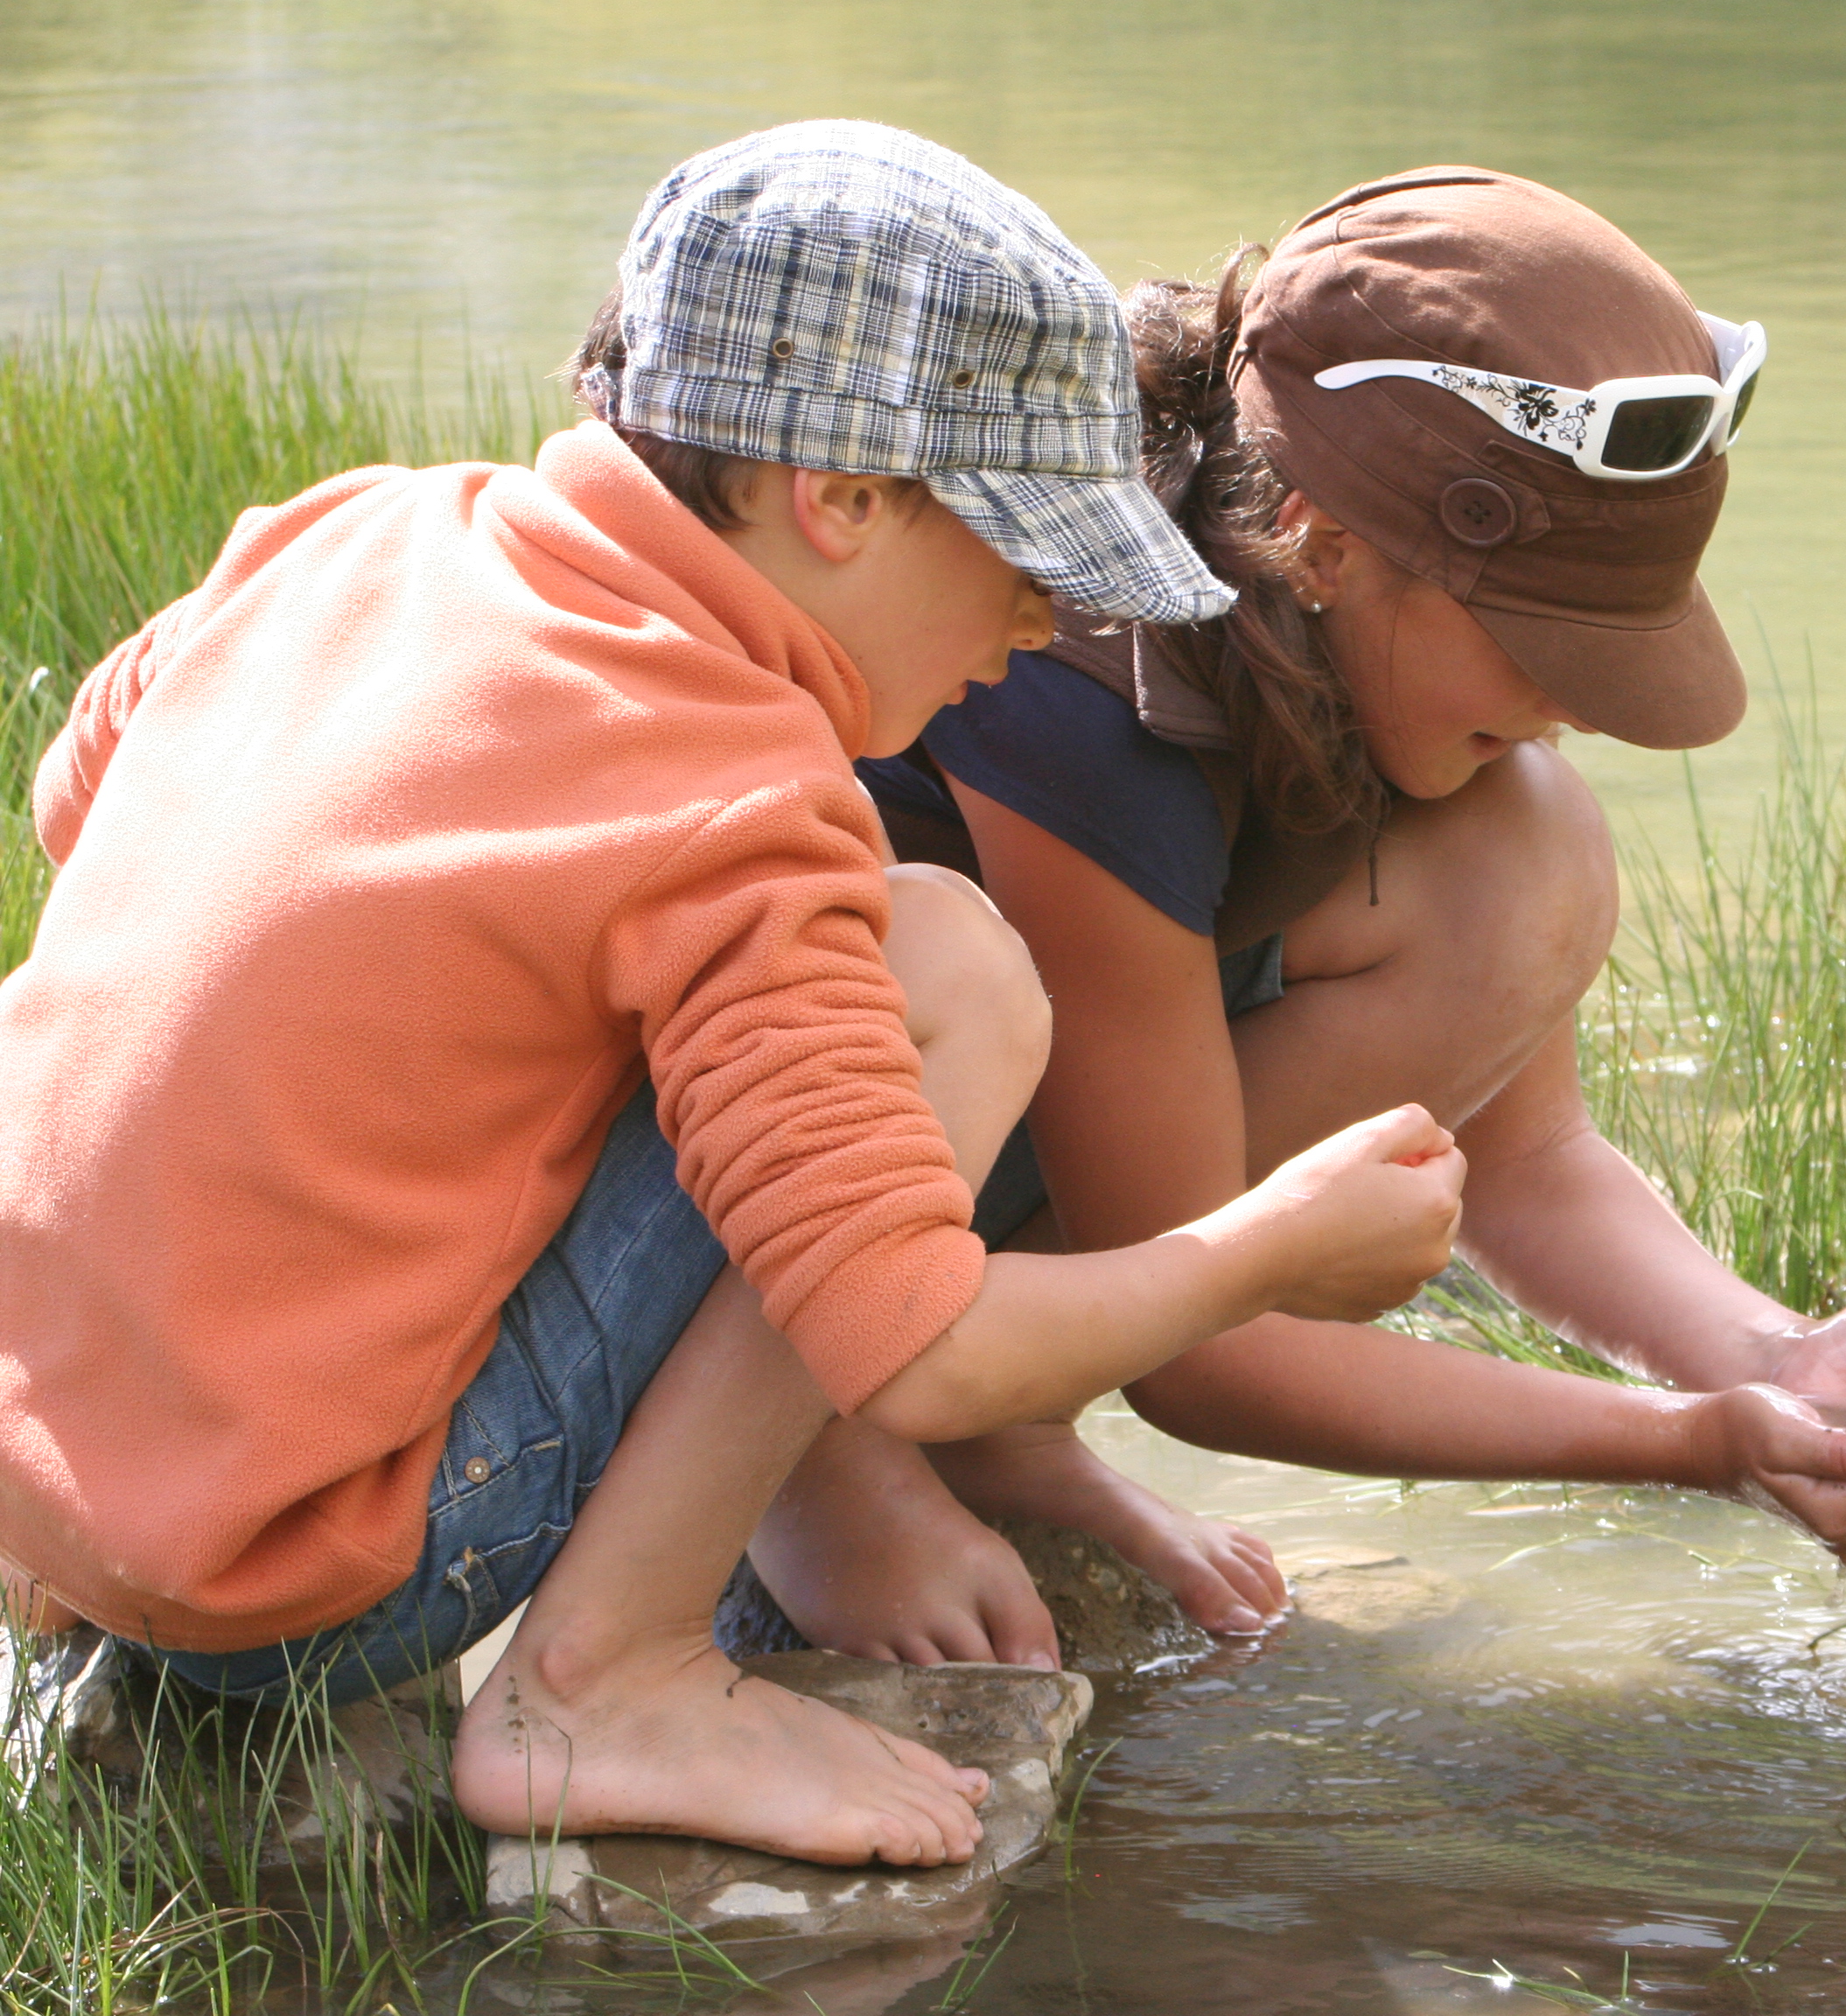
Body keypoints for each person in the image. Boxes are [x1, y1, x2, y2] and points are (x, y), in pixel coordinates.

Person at [0, 122, 1465, 1871]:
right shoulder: (738, 795)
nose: (1035, 626)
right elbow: (915, 1349)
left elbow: (74, 803)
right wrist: (1269, 1250)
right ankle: (604, 1678)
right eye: (1021, 558)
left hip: (49, 1493)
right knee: (952, 971)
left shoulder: (350, 535)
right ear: (837, 500)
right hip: (302, 1590)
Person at [773, 167, 1846, 1666]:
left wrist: (1776, 1360)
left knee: (1528, 857)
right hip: (754, 1138)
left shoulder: (1323, 615)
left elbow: (1532, 1159)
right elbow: (1202, 1332)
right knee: (962, 964)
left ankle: (990, 1414)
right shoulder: (1093, 687)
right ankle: (817, 1446)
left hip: (1000, 1123)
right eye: (1539, 644)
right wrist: (1694, 1445)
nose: (1572, 710)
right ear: (1323, 545)